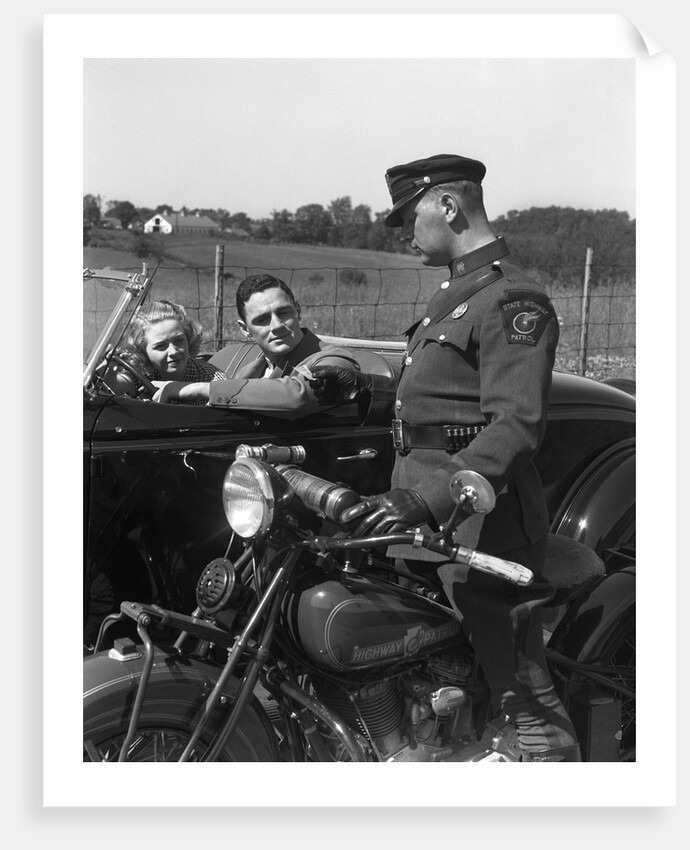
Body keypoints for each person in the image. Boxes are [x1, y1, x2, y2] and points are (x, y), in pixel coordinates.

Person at [310, 153, 580, 762]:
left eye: (409, 217)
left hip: (481, 526)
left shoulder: (512, 299)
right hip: (424, 525)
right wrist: (358, 389)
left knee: (521, 692)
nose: (405, 232)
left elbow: (516, 426)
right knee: (423, 669)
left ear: (449, 206)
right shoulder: (458, 292)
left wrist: (424, 498)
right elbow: (442, 397)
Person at [151, 273, 359, 418]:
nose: (277, 326)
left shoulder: (333, 360)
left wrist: (196, 389)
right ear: (245, 329)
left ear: (298, 311)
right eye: (262, 319)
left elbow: (297, 396)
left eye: (284, 313)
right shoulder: (249, 368)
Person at [108, 299, 228, 404]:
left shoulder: (209, 376)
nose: (173, 352)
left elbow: (230, 394)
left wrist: (194, 389)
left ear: (189, 339)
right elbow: (115, 388)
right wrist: (107, 368)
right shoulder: (141, 375)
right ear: (142, 351)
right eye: (161, 346)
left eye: (179, 340)